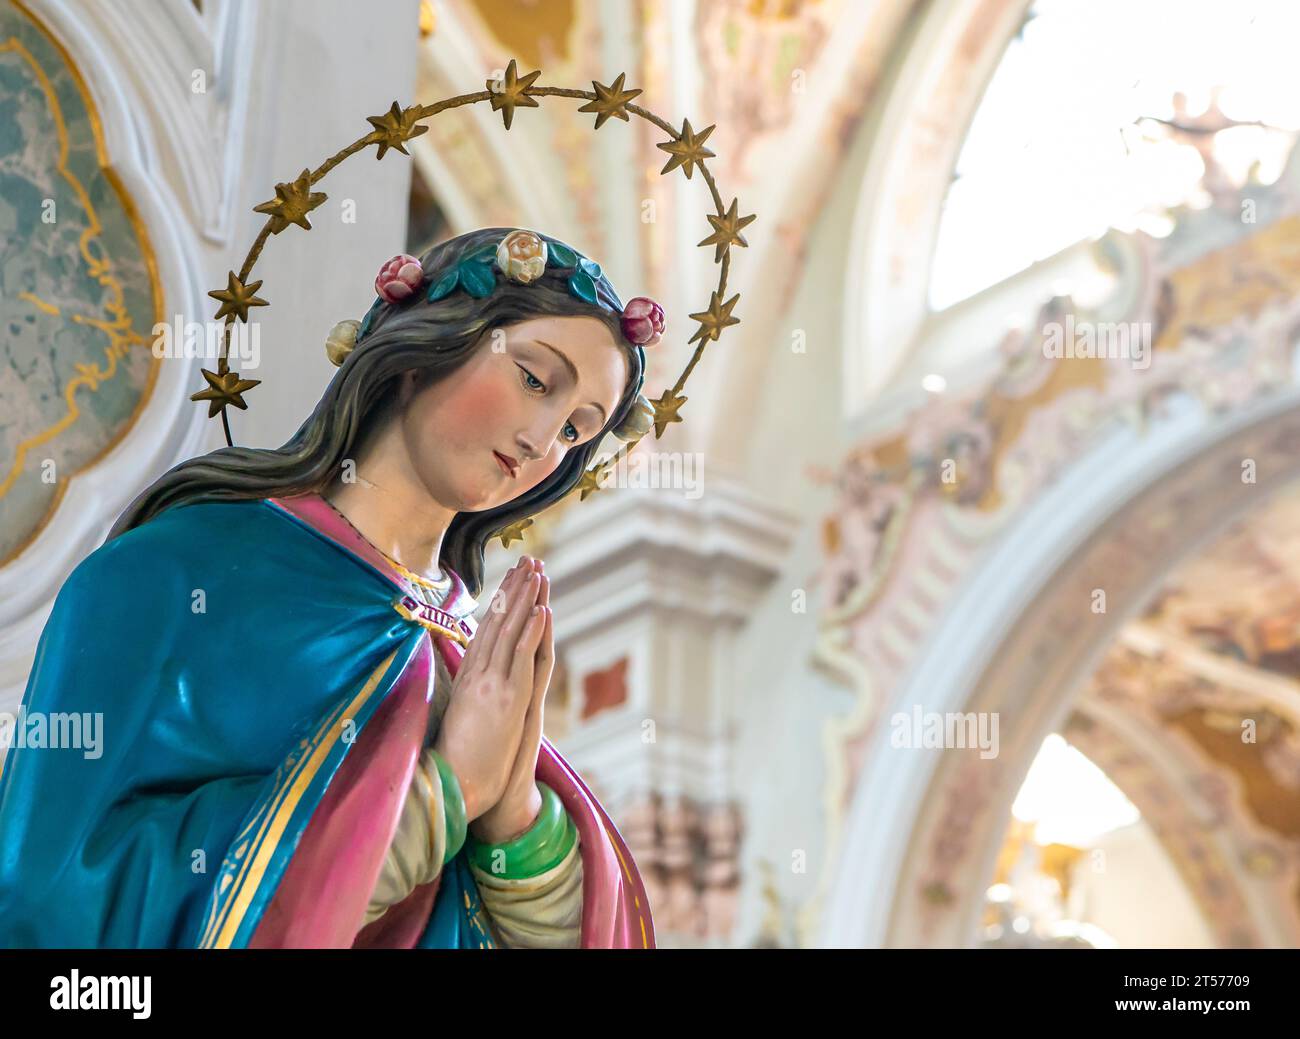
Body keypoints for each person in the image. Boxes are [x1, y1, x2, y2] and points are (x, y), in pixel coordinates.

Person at [0, 227, 660, 948]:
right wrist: (441, 798)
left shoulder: (475, 658)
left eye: (576, 429)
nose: (541, 438)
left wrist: (514, 819)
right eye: (533, 378)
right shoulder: (180, 574)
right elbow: (50, 895)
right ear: (421, 349)